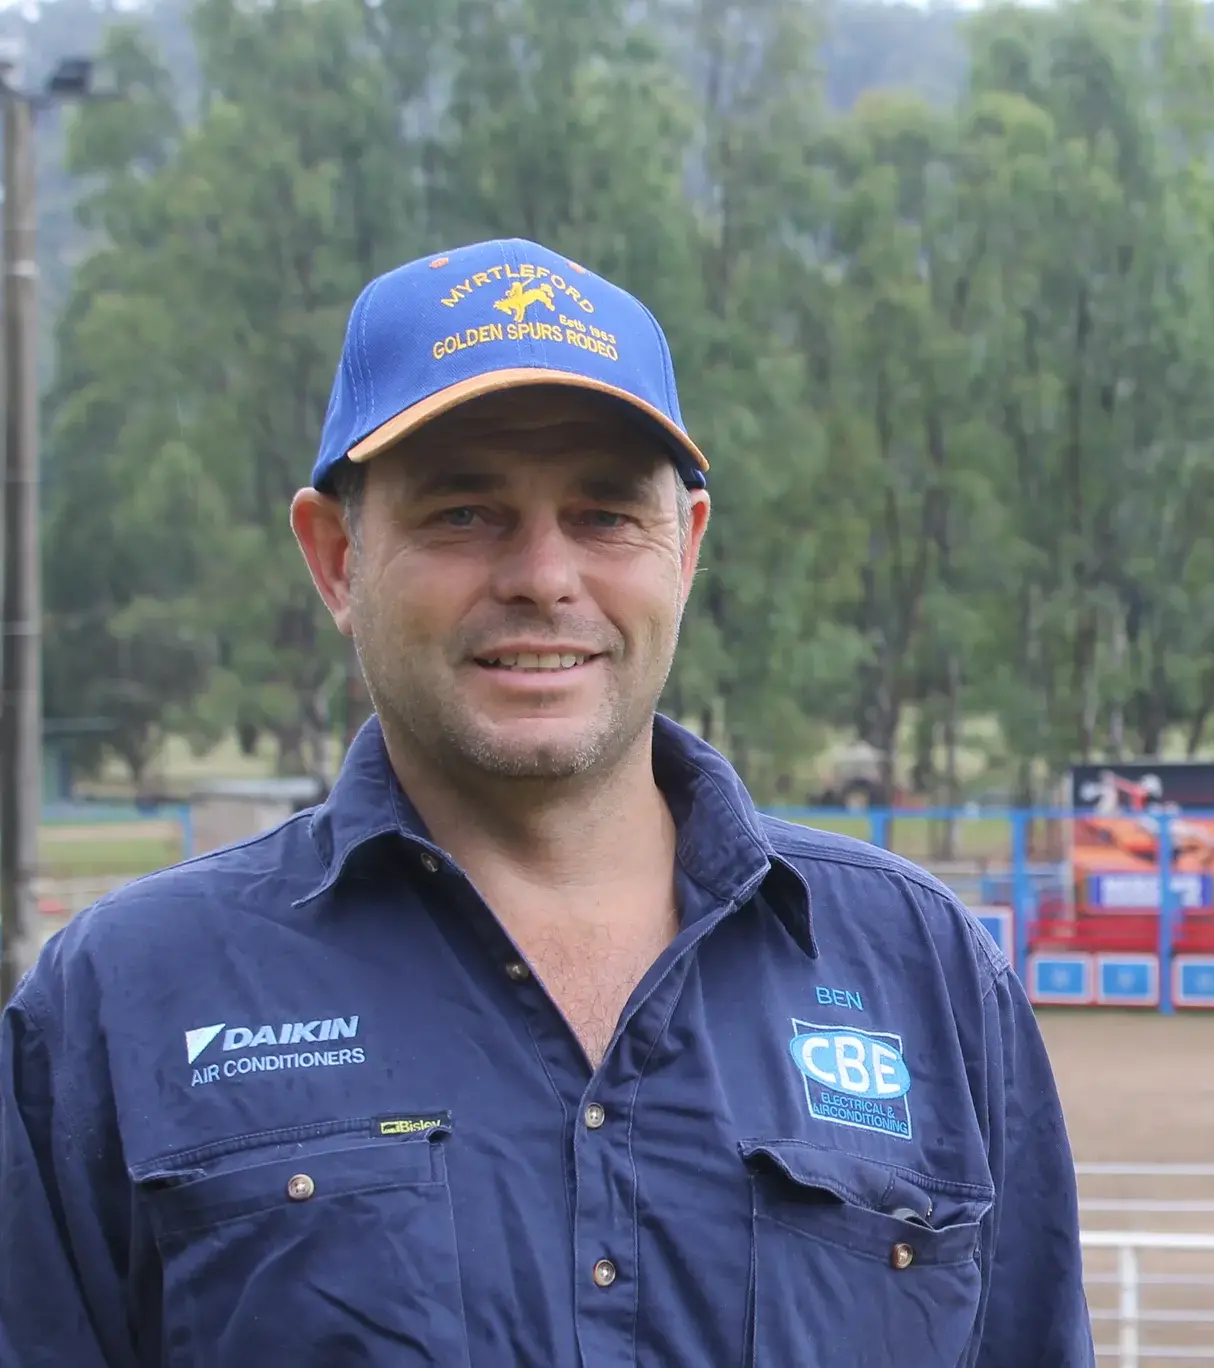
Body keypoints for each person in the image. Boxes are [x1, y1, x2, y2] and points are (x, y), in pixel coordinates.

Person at [0, 238, 1093, 1367]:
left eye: (606, 515)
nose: (542, 574)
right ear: (336, 558)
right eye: (464, 512)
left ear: (687, 548)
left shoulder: (923, 972)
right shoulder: (123, 1001)